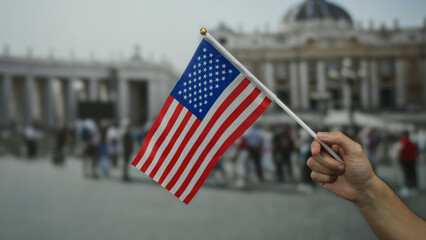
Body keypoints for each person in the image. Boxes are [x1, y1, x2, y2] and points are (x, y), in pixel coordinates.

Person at [307, 131, 426, 240]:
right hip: (395, 163)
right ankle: (411, 186)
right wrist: (365, 189)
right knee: (411, 173)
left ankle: (411, 186)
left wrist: (365, 189)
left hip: (403, 160)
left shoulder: (396, 140)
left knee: (410, 174)